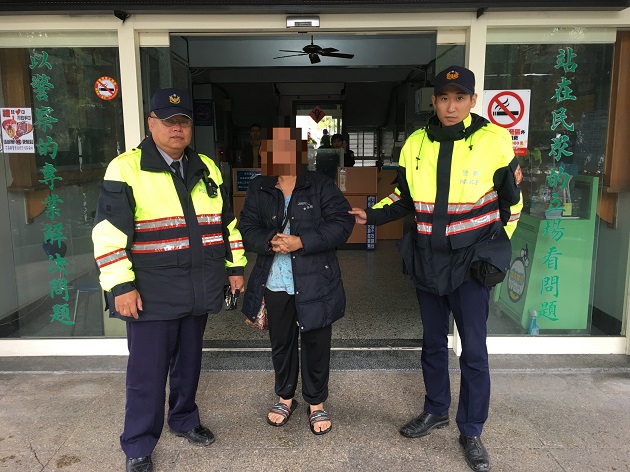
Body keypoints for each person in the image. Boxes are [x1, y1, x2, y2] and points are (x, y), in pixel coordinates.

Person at [349, 65, 523, 472]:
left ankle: (472, 429)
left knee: (474, 352)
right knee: (431, 344)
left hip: (471, 264)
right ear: (434, 101)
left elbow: (512, 204)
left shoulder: (494, 141)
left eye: (459, 98)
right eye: (444, 98)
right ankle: (436, 409)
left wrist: (496, 252)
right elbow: (403, 196)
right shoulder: (415, 143)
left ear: (473, 101)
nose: (451, 106)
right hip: (428, 260)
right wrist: (370, 216)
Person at [92, 87, 247, 472]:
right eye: (168, 120)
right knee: (147, 373)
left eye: (183, 121)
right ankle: (139, 445)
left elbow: (226, 224)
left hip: (198, 287)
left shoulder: (207, 167)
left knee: (189, 363)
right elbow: (108, 233)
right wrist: (120, 286)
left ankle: (184, 419)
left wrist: (236, 267)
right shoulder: (126, 168)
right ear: (151, 123)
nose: (177, 128)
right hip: (150, 292)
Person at [238, 127, 354, 436]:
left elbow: (343, 223)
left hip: (316, 278)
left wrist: (301, 241)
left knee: (316, 341)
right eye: (273, 150)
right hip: (275, 280)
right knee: (282, 342)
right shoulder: (259, 187)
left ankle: (316, 403)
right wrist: (269, 239)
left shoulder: (320, 185)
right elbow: (246, 226)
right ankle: (284, 396)